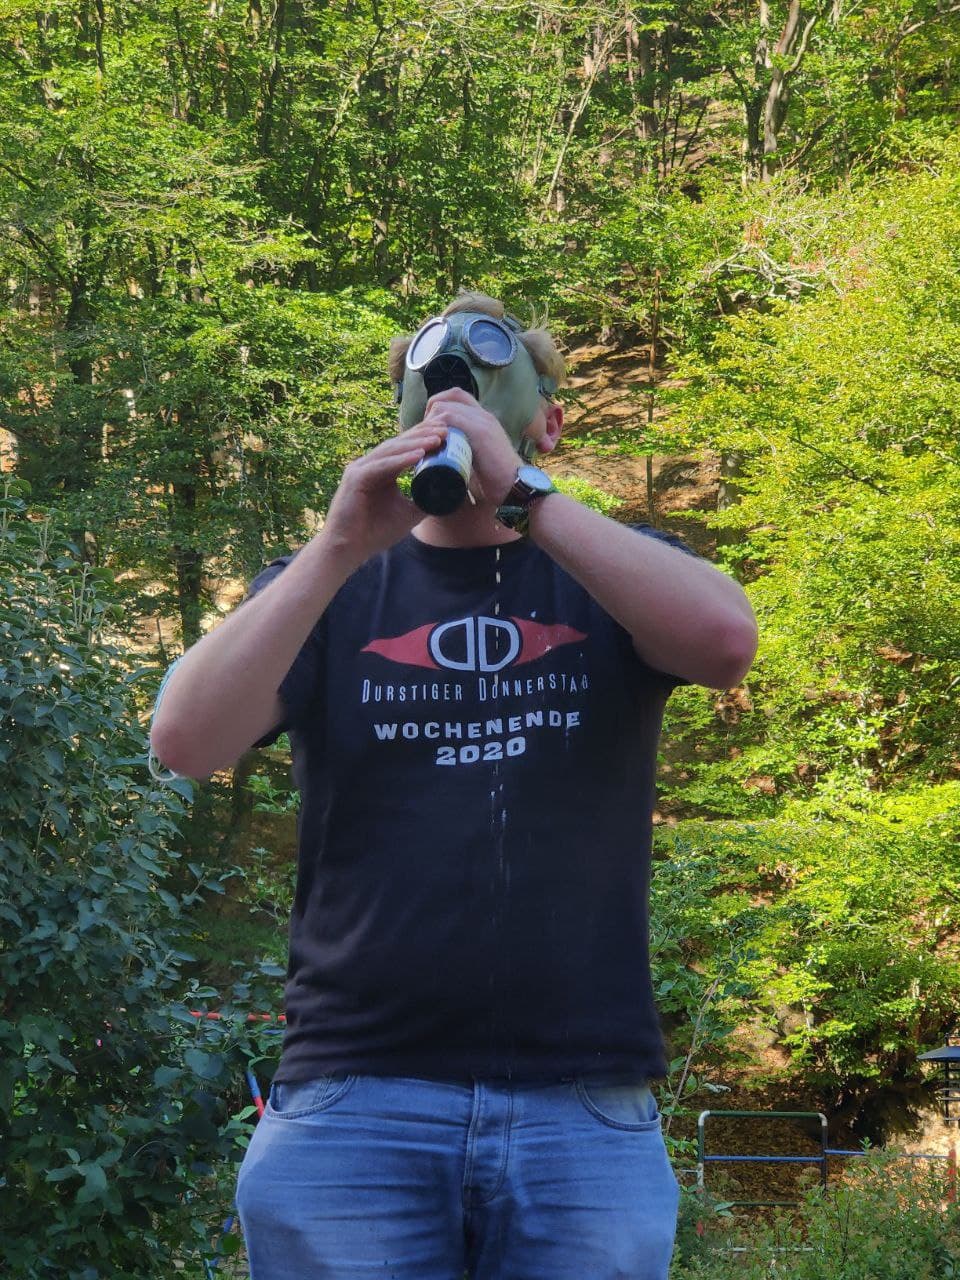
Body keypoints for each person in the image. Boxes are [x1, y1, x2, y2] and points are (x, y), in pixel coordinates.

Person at [150, 292, 758, 1279]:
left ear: (549, 422)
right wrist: (338, 546)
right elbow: (183, 741)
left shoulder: (612, 577)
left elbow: (727, 643)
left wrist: (528, 497)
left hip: (581, 1101)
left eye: (484, 379)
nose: (454, 396)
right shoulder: (331, 587)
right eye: (429, 385)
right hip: (354, 1098)